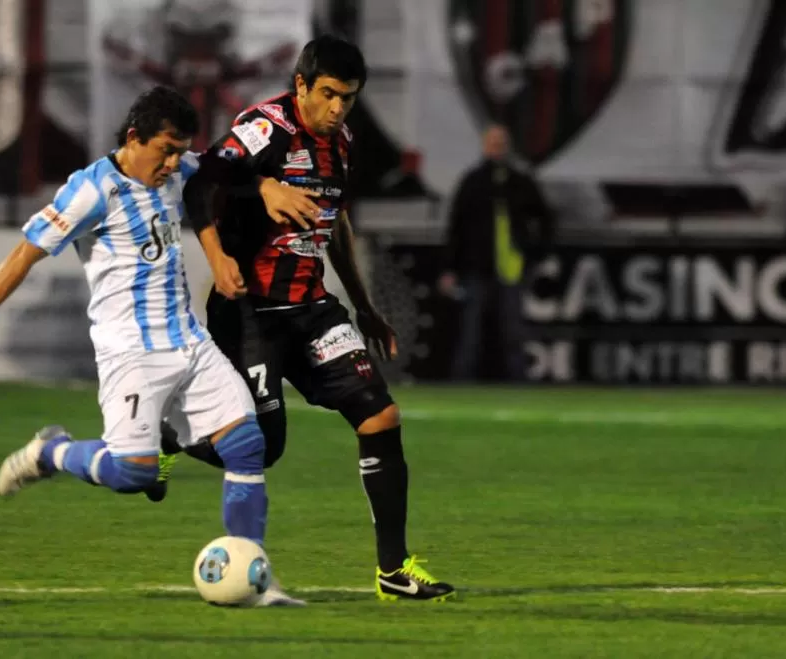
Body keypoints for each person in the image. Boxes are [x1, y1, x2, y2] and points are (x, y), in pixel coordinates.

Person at [0, 86, 311, 607]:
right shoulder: (92, 190)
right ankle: (53, 452)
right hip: (131, 355)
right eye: (166, 151)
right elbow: (25, 253)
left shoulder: (178, 169)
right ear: (134, 137)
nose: (174, 163)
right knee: (134, 473)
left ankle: (253, 578)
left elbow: (223, 167)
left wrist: (266, 185)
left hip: (189, 342)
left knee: (247, 446)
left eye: (180, 151)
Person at [164, 35, 456, 602]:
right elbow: (200, 184)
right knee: (264, 448)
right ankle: (171, 435)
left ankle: (393, 572)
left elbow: (335, 222)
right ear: (301, 85)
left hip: (312, 308)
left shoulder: (342, 140)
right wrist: (226, 247)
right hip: (249, 309)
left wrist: (364, 304)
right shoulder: (264, 127)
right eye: (328, 95)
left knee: (381, 418)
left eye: (348, 98)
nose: (337, 108)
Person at [437, 124, 553, 382]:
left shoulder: (519, 182)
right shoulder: (473, 182)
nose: (497, 148)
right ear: (484, 146)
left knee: (513, 330)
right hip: (476, 267)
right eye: (493, 143)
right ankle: (462, 383)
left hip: (511, 268)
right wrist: (450, 268)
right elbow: (456, 227)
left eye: (501, 143)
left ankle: (518, 382)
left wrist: (536, 253)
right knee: (471, 331)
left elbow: (545, 218)